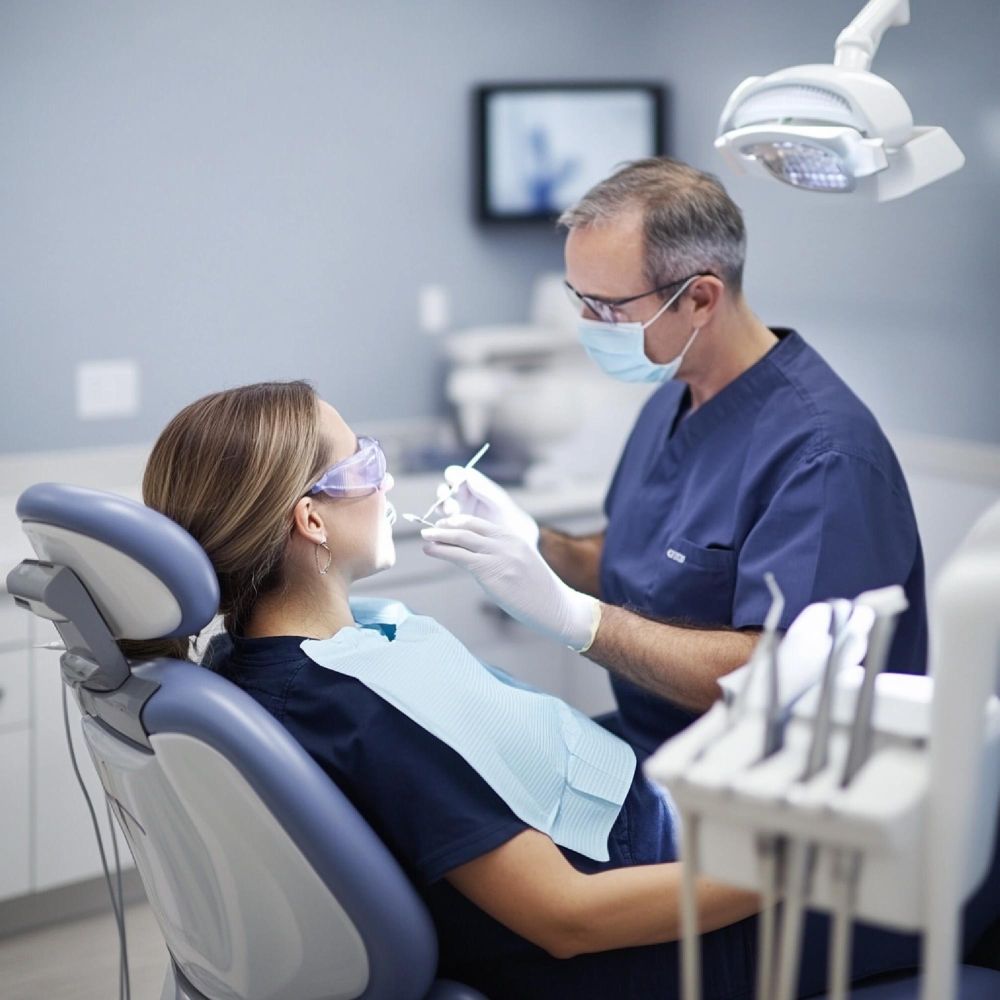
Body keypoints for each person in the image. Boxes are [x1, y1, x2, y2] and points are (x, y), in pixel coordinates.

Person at [131, 379, 767, 1000]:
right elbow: (569, 916)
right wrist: (804, 867)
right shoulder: (359, 707)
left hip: (642, 829)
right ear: (312, 520)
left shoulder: (255, 656)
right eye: (363, 462)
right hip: (648, 926)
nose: (382, 482)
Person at [421, 156, 929, 760]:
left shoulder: (823, 456)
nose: (588, 324)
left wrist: (582, 622)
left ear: (701, 298)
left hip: (758, 794)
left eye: (608, 307)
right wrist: (531, 541)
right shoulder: (675, 395)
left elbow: (773, 675)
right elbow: (635, 559)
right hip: (653, 751)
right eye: (578, 299)